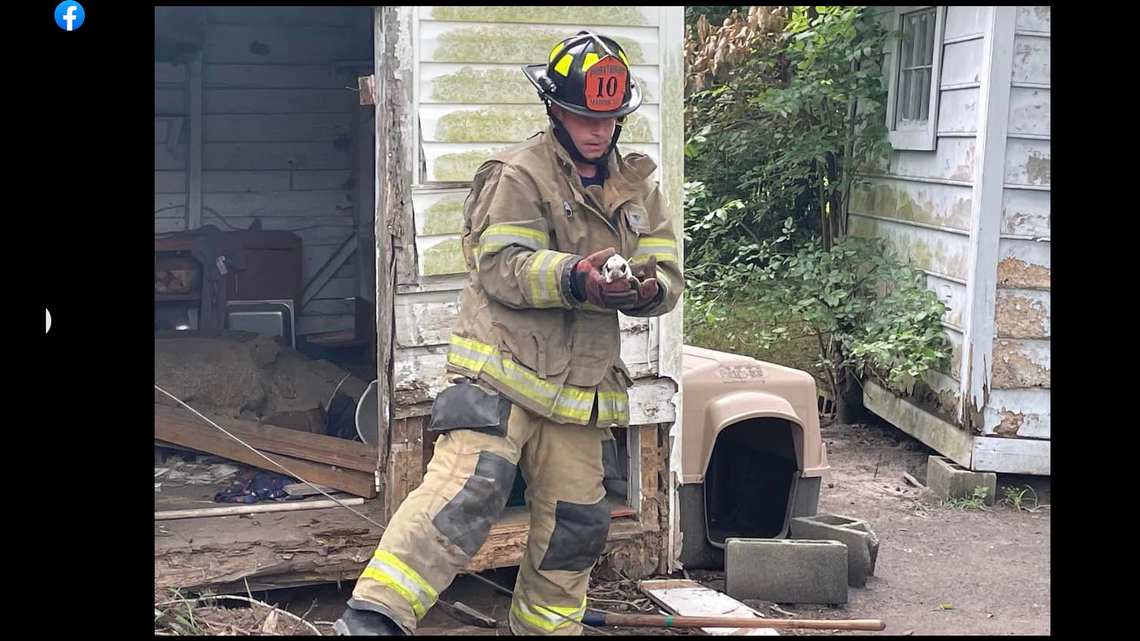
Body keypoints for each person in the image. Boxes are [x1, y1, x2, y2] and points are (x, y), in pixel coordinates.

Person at [335, 30, 683, 636]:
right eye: (582, 115)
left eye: (607, 117)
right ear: (555, 108)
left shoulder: (639, 190)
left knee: (577, 523)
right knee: (469, 489)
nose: (596, 130)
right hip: (502, 370)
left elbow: (670, 274)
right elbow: (501, 266)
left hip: (580, 390)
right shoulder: (519, 174)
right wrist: (577, 276)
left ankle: (546, 630)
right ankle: (373, 622)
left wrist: (647, 290)